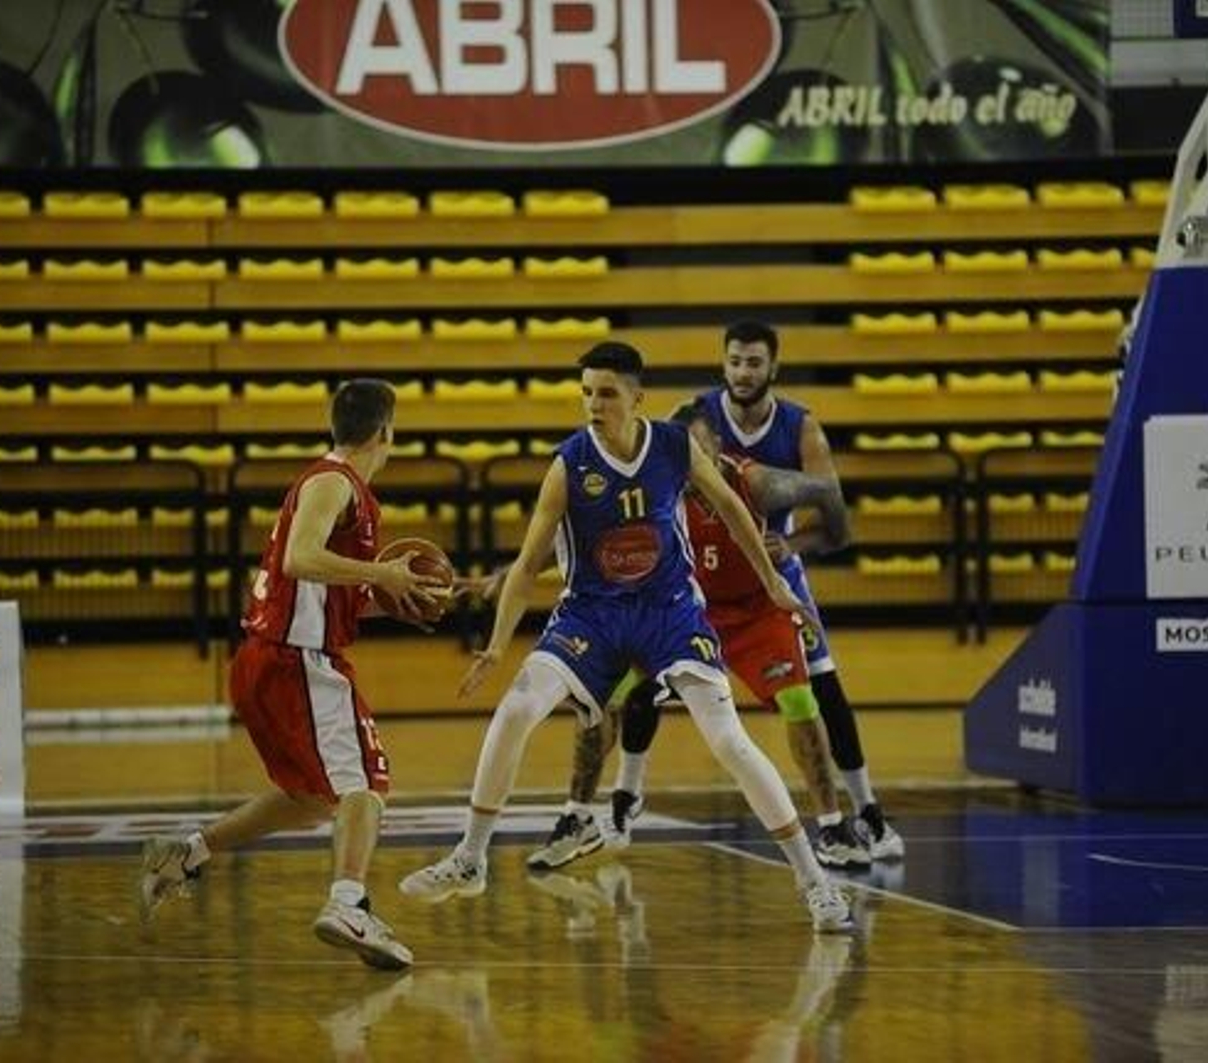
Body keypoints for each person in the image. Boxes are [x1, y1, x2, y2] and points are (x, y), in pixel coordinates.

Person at [398, 341, 853, 932]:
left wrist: (773, 584)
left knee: (729, 742)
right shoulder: (568, 464)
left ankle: (814, 883)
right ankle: (470, 857)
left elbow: (735, 512)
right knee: (515, 710)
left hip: (670, 612)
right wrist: (495, 642)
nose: (593, 403)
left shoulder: (672, 445)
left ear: (637, 398)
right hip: (592, 614)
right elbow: (531, 562)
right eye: (586, 392)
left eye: (606, 393)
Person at [138, 378, 447, 970]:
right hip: (297, 660)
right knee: (365, 786)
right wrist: (381, 575)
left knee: (311, 798)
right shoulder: (334, 481)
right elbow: (299, 558)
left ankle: (186, 854)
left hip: (268, 661)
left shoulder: (334, 487)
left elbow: (322, 583)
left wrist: (394, 596)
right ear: (387, 432)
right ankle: (348, 902)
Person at [520, 407, 870, 872]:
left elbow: (826, 491)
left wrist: (802, 545)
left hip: (755, 612)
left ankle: (831, 825)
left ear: (716, 451)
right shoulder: (651, 488)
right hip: (686, 610)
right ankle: (577, 817)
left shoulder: (756, 483)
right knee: (601, 697)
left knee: (801, 706)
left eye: (695, 451)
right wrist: (507, 578)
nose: (684, 463)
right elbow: (573, 543)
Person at [691, 320, 904, 860]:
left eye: (754, 363)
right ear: (724, 363)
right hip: (709, 578)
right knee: (643, 680)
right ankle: (618, 801)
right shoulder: (694, 418)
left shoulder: (800, 427)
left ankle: (868, 814)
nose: (743, 372)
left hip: (772, 579)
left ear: (773, 368)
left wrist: (794, 542)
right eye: (735, 361)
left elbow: (836, 520)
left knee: (825, 692)